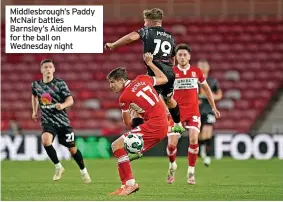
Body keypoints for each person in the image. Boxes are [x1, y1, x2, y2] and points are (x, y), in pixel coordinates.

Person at [105, 8, 184, 133]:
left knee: (137, 102)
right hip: (169, 72)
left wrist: (114, 44)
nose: (144, 24)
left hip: (156, 71)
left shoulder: (148, 31)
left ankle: (140, 134)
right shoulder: (169, 36)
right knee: (169, 99)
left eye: (145, 22)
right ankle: (178, 124)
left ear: (151, 22)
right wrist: (169, 70)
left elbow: (131, 38)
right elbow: (173, 57)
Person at [107, 53, 168, 195]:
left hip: (154, 125)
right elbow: (164, 79)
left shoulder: (124, 97)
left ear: (122, 80)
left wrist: (134, 112)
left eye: (112, 82)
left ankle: (130, 184)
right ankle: (124, 185)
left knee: (116, 145)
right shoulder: (142, 79)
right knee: (121, 152)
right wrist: (150, 63)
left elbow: (128, 123)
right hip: (162, 123)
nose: (111, 86)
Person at [165, 44, 221, 185]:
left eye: (185, 55)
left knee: (194, 139)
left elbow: (207, 90)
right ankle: (172, 166)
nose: (182, 57)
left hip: (192, 112)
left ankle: (191, 172)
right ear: (176, 58)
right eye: (180, 55)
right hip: (175, 112)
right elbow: (163, 93)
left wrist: (213, 107)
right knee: (172, 145)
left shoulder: (197, 72)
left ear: (189, 57)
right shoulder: (171, 72)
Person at [31, 59, 91, 183]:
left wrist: (62, 106)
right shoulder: (36, 85)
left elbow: (70, 100)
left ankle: (83, 170)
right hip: (48, 121)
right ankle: (58, 167)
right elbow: (34, 96)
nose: (47, 69)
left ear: (53, 69)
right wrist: (34, 111)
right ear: (41, 70)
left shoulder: (60, 84)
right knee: (46, 140)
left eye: (50, 67)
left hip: (62, 122)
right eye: (45, 67)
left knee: (72, 149)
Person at [198, 59, 223, 167]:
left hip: (209, 110)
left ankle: (207, 157)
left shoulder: (212, 81)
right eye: (201, 65)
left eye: (205, 65)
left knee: (207, 131)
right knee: (198, 134)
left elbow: (219, 94)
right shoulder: (193, 81)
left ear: (208, 68)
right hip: (196, 110)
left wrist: (211, 97)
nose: (203, 67)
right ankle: (201, 148)